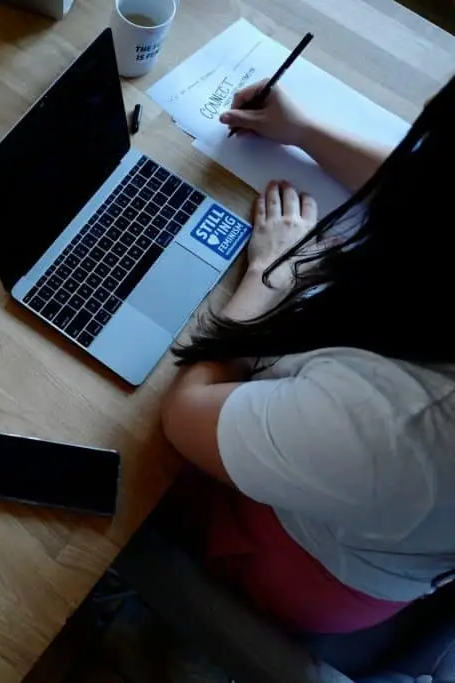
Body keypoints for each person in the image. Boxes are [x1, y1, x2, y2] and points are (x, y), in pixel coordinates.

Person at [159, 75, 455, 635]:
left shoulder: (405, 426)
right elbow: (427, 188)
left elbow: (185, 414)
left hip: (302, 563)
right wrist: (305, 132)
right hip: (387, 528)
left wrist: (274, 272)